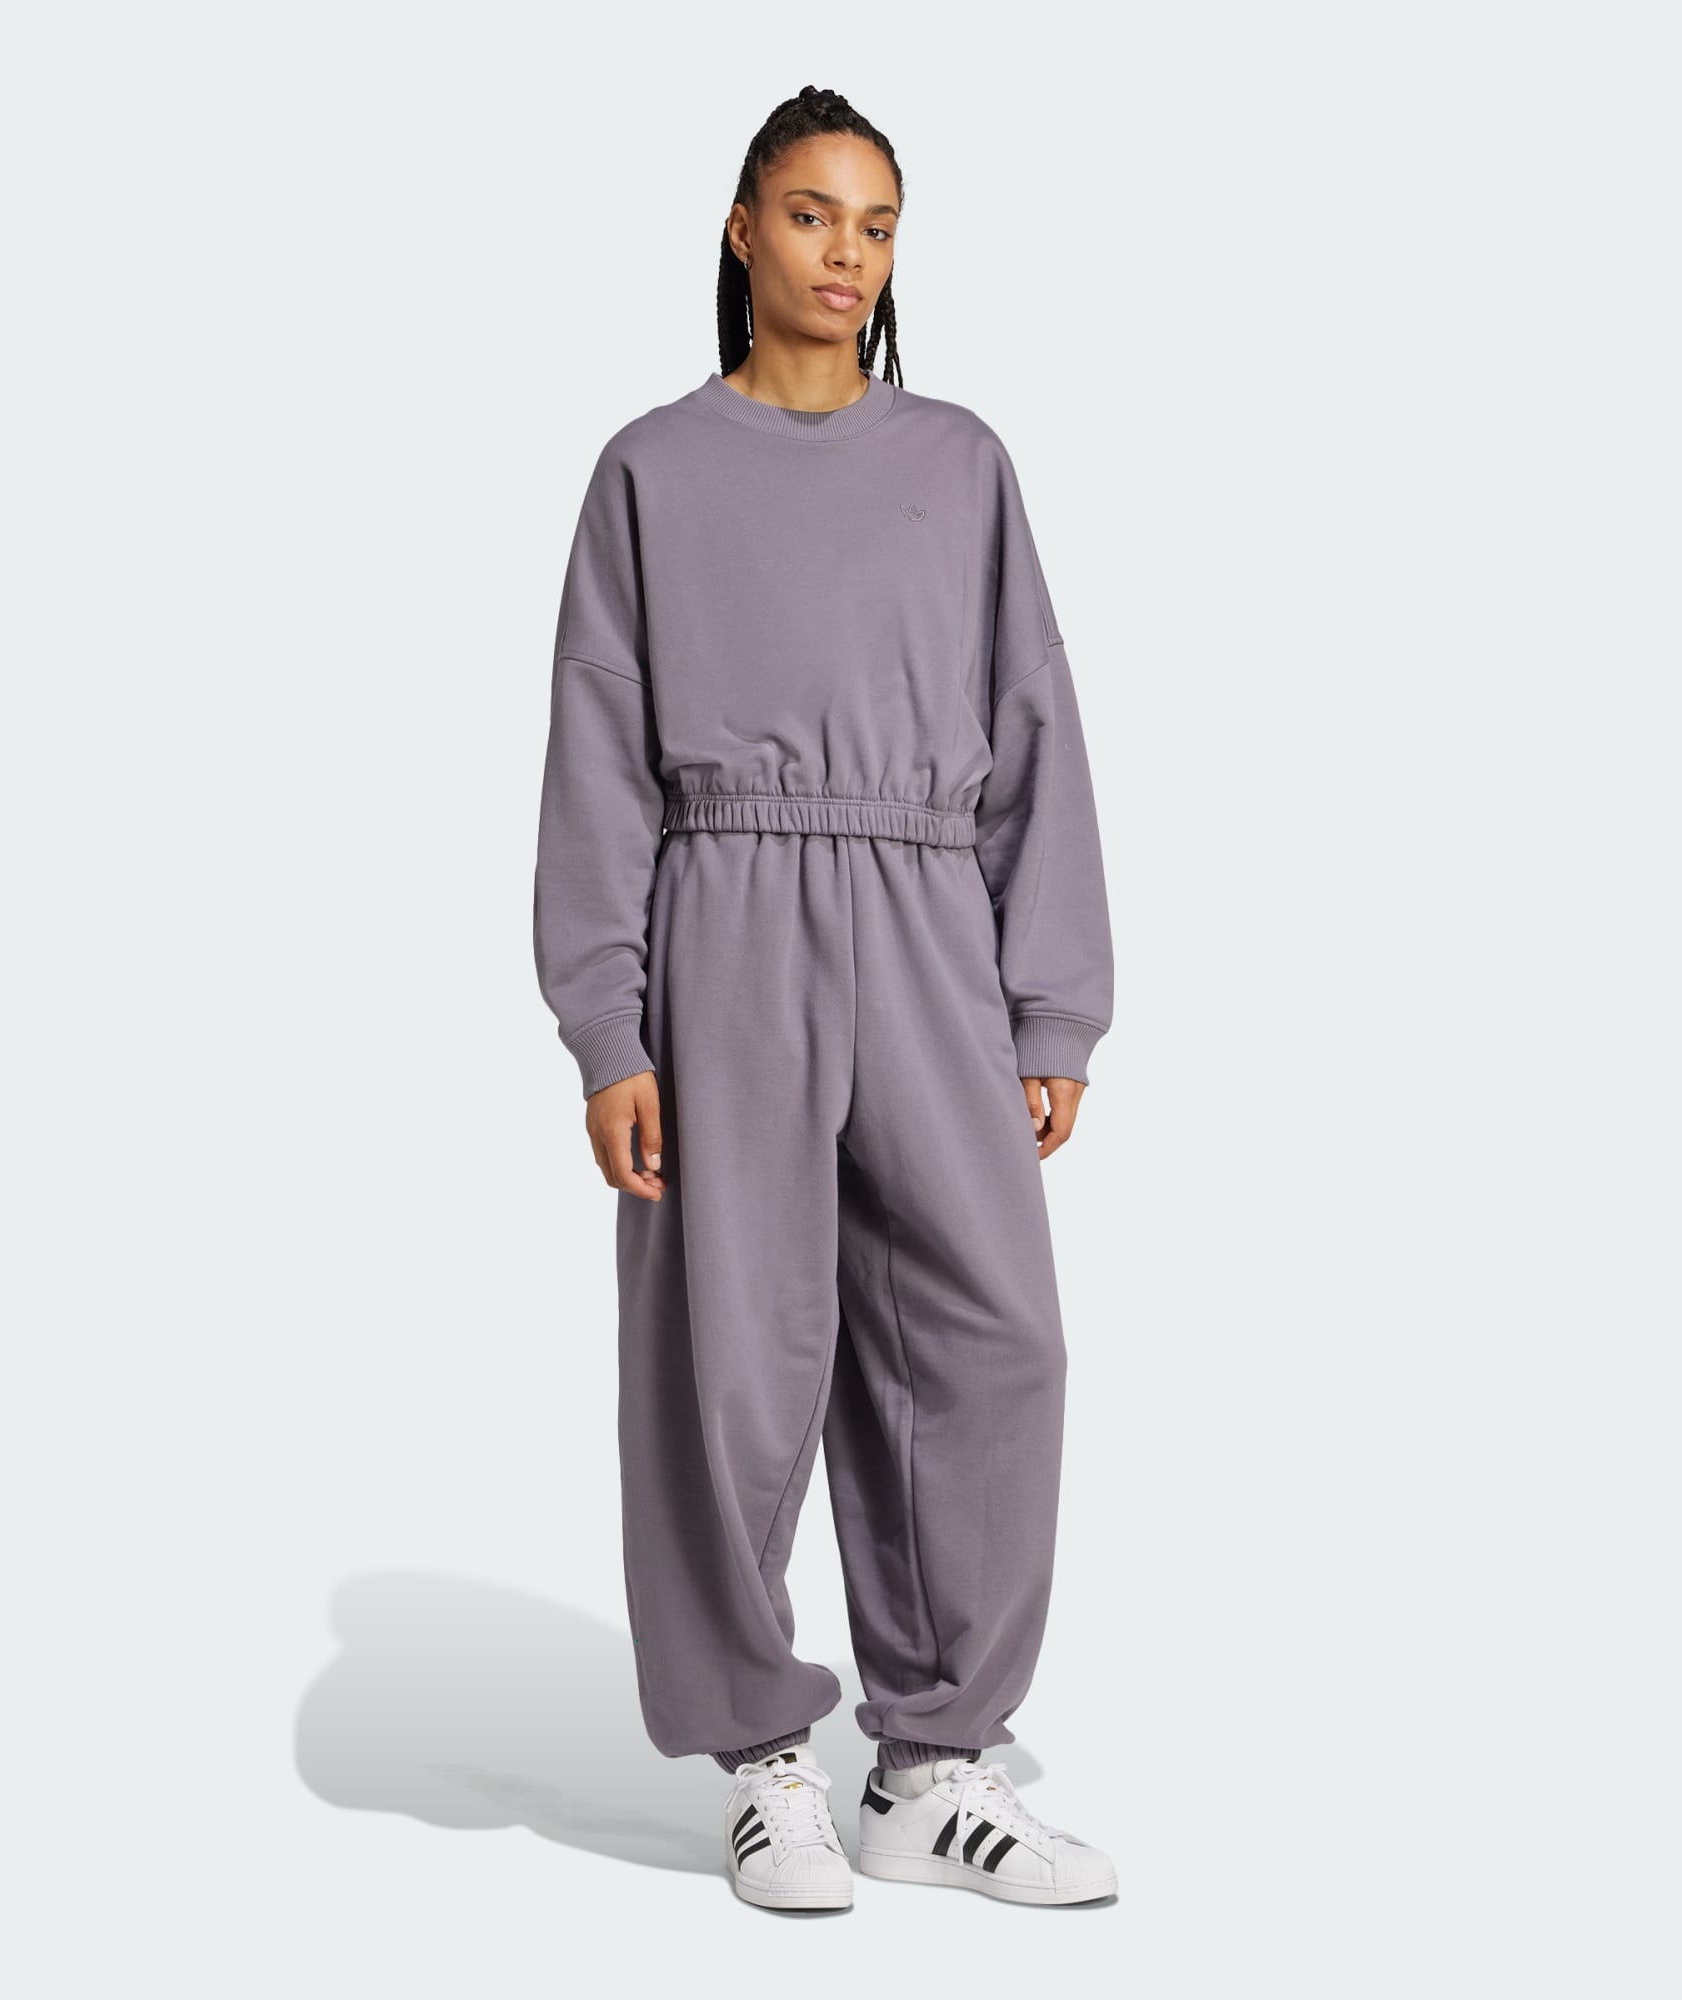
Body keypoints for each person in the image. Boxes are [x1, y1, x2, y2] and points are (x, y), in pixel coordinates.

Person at [532, 85, 1118, 1911]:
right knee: (733, 1351)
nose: (845, 253)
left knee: (992, 1336)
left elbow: (1033, 727)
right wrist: (608, 1028)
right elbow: (597, 757)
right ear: (741, 228)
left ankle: (933, 1764)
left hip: (930, 919)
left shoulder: (961, 463)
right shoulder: (652, 471)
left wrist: (1052, 1006)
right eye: (810, 214)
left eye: (875, 224)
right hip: (725, 917)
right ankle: (763, 1761)